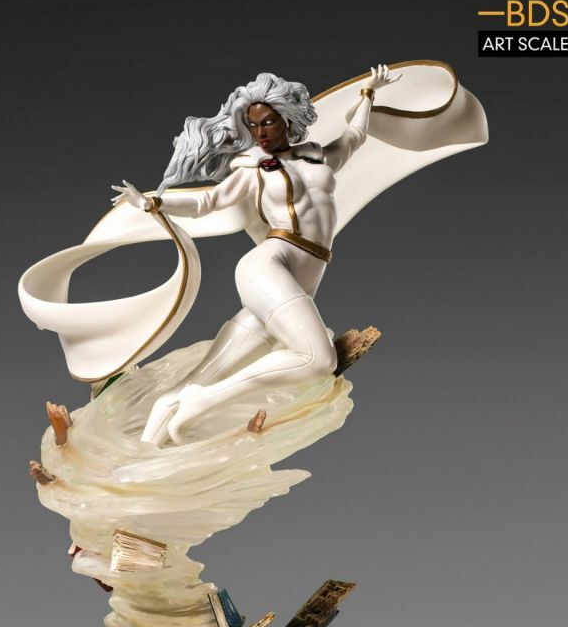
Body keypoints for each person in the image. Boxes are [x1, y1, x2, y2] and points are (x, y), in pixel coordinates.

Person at [111, 65, 401, 446]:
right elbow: (208, 201)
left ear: (287, 119)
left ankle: (145, 453)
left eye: (268, 122)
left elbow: (356, 135)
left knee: (201, 376)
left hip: (297, 279)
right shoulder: (255, 169)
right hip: (269, 267)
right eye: (253, 125)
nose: (260, 133)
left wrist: (368, 92)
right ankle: (204, 401)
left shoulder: (318, 157)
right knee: (319, 360)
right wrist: (154, 202)